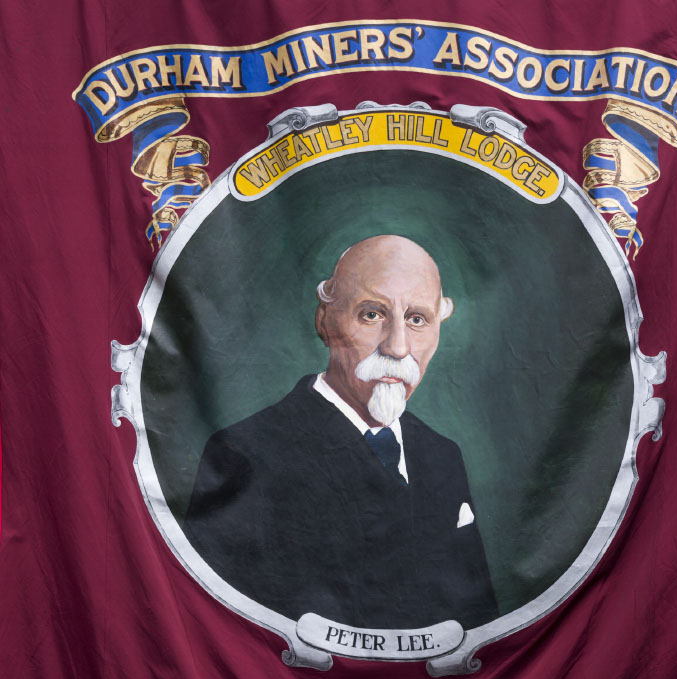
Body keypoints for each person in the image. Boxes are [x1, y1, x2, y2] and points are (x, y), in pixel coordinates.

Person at [183, 236, 498, 629]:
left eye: (417, 319)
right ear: (325, 321)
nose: (398, 347)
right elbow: (214, 628)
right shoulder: (245, 454)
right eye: (372, 314)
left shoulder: (443, 456)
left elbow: (477, 623)